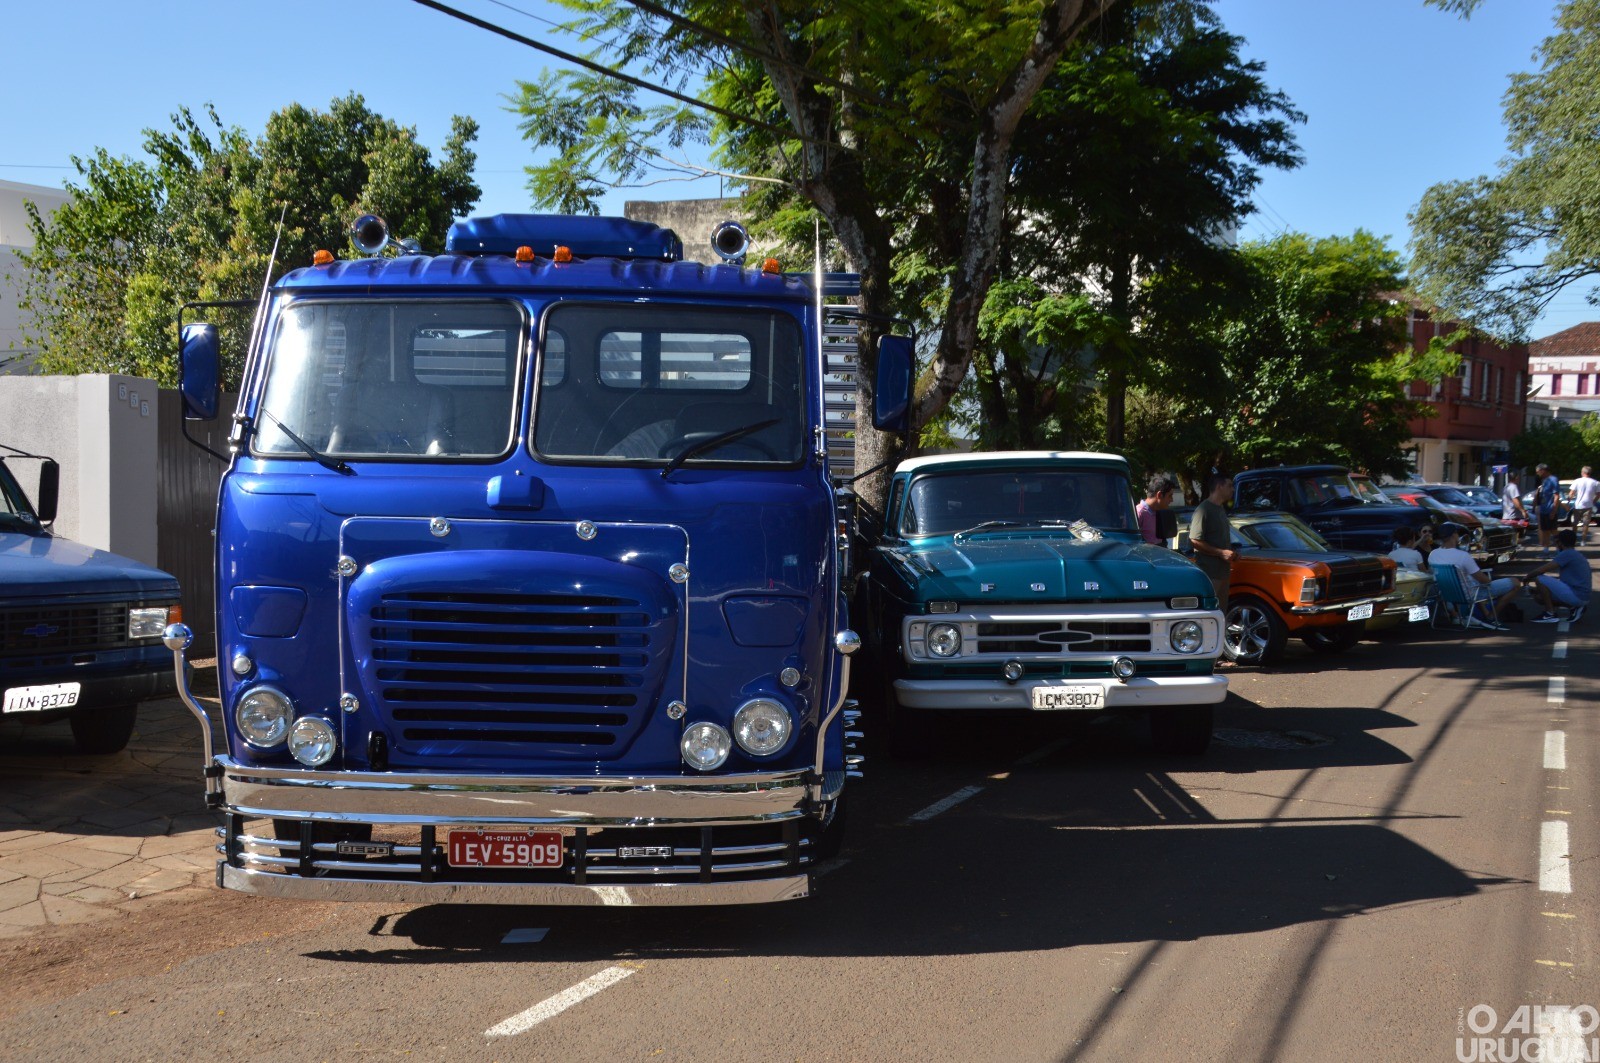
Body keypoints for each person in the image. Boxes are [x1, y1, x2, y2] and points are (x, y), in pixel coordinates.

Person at [1428, 522, 1520, 630]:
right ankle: (1491, 616)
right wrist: (1488, 579)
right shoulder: (1462, 556)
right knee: (1515, 583)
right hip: (1467, 595)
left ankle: (1486, 615)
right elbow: (1484, 581)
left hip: (1446, 594)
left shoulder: (1433, 554)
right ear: (1454, 535)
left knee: (1471, 581)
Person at [1523, 528, 1591, 623]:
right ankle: (1574, 607)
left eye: (1556, 542)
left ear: (1561, 543)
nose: (1555, 544)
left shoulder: (1567, 554)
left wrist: (1527, 577)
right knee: (1539, 597)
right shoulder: (1575, 554)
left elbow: (1541, 570)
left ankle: (1550, 614)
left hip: (1577, 595)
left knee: (1540, 579)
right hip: (1582, 595)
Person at [1189, 473, 1236, 609]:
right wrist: (1221, 553)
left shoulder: (1220, 508)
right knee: (1208, 612)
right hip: (1210, 574)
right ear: (1219, 487)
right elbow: (1194, 540)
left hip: (1223, 573)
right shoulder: (1204, 509)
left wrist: (1231, 553)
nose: (1232, 489)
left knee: (1220, 613)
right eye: (1229, 486)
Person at [1135, 474, 1175, 545]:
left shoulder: (1160, 513)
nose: (1172, 500)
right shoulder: (1138, 513)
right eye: (1170, 496)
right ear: (1159, 495)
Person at [1535, 463, 1562, 553]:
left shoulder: (1553, 480)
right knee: (1545, 530)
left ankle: (1559, 548)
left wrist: (1553, 511)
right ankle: (1545, 550)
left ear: (1543, 470)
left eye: (1538, 472)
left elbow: (1556, 496)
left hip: (1550, 509)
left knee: (1553, 530)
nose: (1538, 474)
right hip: (1543, 509)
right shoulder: (1545, 480)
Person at [1570, 466, 1599, 543]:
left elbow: (1572, 493)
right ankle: (1583, 540)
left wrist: (1568, 500)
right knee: (1586, 524)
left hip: (1578, 505)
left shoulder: (1577, 481)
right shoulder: (1595, 482)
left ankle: (1573, 539)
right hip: (1588, 505)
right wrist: (1593, 501)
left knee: (1575, 523)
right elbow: (1598, 494)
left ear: (1582, 472)